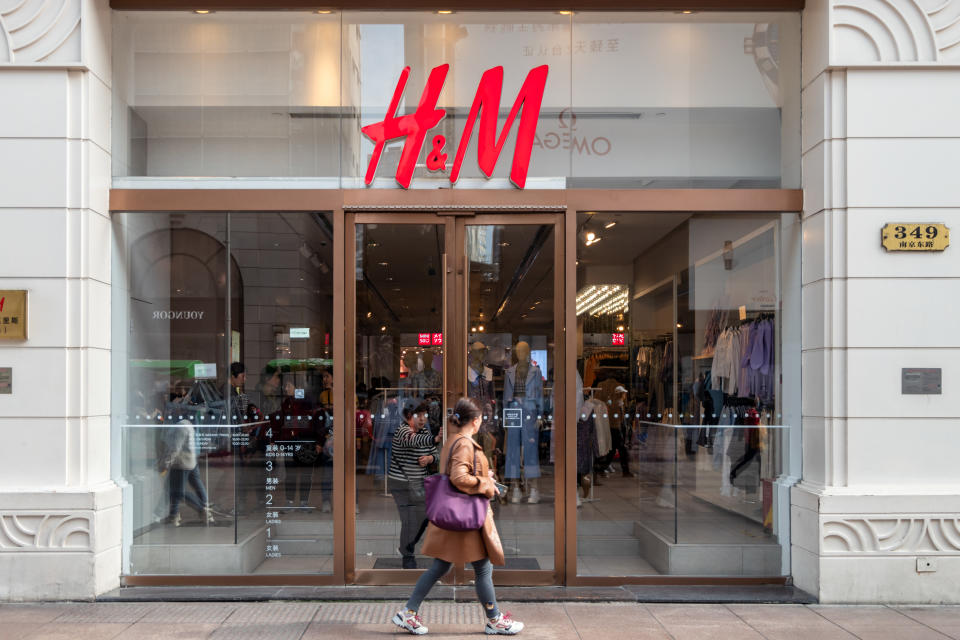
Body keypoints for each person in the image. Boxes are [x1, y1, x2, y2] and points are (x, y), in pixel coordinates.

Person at [392, 397, 524, 636]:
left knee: (440, 567)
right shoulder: (464, 444)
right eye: (481, 418)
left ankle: (408, 612)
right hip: (466, 518)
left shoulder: (453, 440)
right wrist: (485, 483)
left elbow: (457, 472)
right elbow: (459, 478)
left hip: (454, 516)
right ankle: (494, 620)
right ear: (475, 421)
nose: (482, 422)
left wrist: (484, 473)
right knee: (483, 568)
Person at [388, 403, 440, 569]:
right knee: (409, 520)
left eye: (424, 415)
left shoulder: (425, 432)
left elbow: (436, 453)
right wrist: (435, 439)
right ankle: (408, 557)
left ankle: (406, 547)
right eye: (419, 415)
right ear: (409, 417)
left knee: (425, 518)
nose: (423, 419)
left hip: (419, 484)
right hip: (401, 483)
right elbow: (413, 441)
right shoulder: (402, 431)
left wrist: (430, 459)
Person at [158, 418, 215, 527]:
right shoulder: (187, 424)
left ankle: (202, 510)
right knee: (188, 486)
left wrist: (165, 464)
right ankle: (175, 515)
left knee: (177, 491)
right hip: (189, 460)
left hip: (181, 463)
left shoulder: (181, 426)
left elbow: (175, 448)